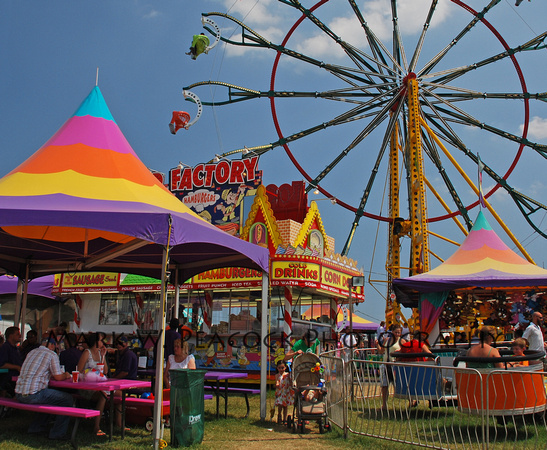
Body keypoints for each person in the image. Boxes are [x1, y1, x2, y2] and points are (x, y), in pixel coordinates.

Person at [15, 337, 72, 440]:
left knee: (49, 398)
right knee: (67, 399)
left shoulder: (32, 352)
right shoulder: (51, 354)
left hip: (18, 393)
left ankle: (36, 427)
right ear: (51, 345)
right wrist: (66, 375)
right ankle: (57, 433)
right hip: (33, 394)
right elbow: (58, 377)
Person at [77, 332, 108, 436]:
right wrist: (91, 371)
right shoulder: (87, 353)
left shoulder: (100, 353)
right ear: (95, 341)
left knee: (119, 394)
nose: (102, 342)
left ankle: (118, 423)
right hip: (87, 386)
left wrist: (103, 356)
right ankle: (96, 426)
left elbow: (105, 371)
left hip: (99, 385)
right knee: (103, 395)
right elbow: (79, 370)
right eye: (100, 340)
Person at [112, 336, 138, 428]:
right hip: (123, 382)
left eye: (121, 343)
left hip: (128, 382)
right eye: (117, 343)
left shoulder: (128, 355)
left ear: (126, 344)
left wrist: (113, 380)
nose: (119, 345)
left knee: (118, 395)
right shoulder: (123, 354)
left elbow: (124, 372)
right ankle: (117, 421)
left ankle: (119, 423)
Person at [377, 324, 402, 410]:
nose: (397, 334)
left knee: (398, 385)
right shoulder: (387, 340)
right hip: (385, 365)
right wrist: (377, 344)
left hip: (395, 366)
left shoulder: (402, 341)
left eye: (399, 333)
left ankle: (410, 402)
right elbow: (381, 351)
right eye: (396, 332)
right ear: (392, 332)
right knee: (384, 386)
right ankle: (384, 405)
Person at [0, 326, 23, 397]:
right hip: (8, 380)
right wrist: (17, 367)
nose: (20, 336)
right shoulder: (5, 347)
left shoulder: (16, 349)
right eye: (17, 334)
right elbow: (2, 364)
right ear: (11, 336)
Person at [274, 360, 293, 424]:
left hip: (286, 392)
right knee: (280, 405)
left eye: (282, 368)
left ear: (285, 368)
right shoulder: (277, 375)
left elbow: (290, 382)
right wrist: (277, 384)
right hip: (280, 392)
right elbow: (277, 381)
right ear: (277, 368)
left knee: (285, 406)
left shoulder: (287, 375)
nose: (281, 369)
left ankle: (285, 419)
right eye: (279, 368)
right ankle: (279, 416)